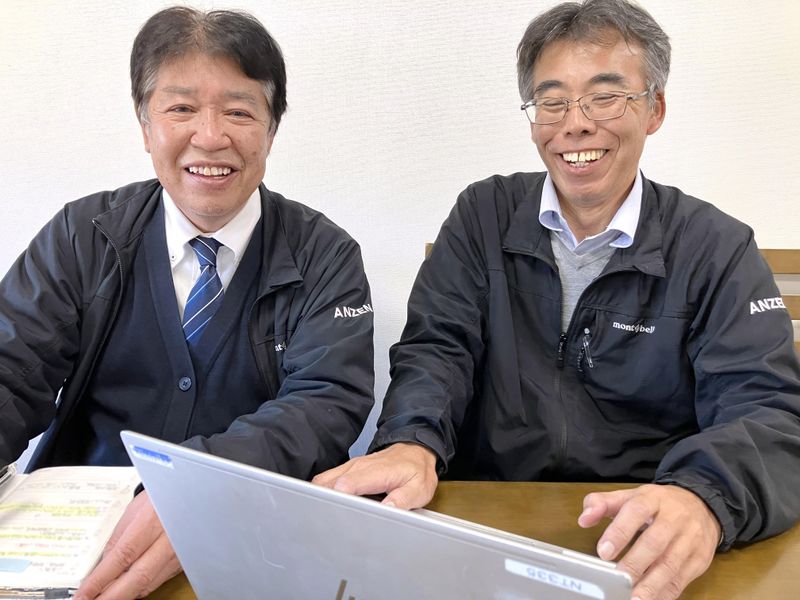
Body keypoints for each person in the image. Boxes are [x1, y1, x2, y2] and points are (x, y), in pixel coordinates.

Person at [314, 1, 800, 598]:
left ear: (655, 109)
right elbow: (437, 350)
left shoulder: (715, 246)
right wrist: (411, 442)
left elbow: (767, 410)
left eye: (606, 97)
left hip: (640, 527)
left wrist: (703, 497)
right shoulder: (484, 215)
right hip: (488, 523)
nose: (576, 124)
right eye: (552, 101)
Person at [0, 7, 374, 598]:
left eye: (239, 111)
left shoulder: (325, 255)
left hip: (250, 536)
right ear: (145, 124)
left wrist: (194, 487)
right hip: (81, 540)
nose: (210, 136)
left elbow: (327, 404)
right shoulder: (81, 236)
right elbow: (10, 370)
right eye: (180, 109)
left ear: (271, 129)